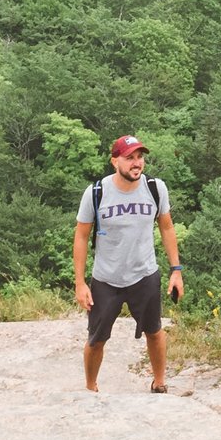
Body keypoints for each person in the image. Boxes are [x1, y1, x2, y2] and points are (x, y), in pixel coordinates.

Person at [73, 134, 184, 392]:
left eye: (140, 157)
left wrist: (176, 270)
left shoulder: (155, 189)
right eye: (129, 158)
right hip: (105, 279)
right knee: (96, 338)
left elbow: (167, 228)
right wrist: (80, 283)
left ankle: (159, 383)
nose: (137, 163)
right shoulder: (96, 193)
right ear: (115, 162)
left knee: (154, 331)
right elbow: (81, 236)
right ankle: (90, 389)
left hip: (144, 274)